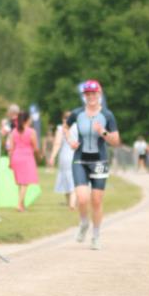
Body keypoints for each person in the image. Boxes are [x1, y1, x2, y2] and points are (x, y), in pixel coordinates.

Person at [64, 80, 120, 250]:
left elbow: (115, 141)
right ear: (84, 96)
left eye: (94, 93)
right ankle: (83, 224)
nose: (91, 97)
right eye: (87, 94)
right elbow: (65, 128)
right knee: (82, 198)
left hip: (99, 161)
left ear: (99, 94)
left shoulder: (108, 115)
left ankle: (96, 236)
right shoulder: (76, 113)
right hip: (80, 159)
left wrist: (102, 132)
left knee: (96, 201)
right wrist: (70, 141)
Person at [6, 110, 40, 212]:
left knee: (20, 183)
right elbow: (35, 147)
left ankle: (22, 205)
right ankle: (19, 205)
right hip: (27, 158)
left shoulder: (14, 132)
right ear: (27, 119)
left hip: (16, 157)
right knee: (25, 183)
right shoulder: (31, 131)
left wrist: (10, 161)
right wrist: (39, 155)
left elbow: (11, 148)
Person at [49, 111, 77, 210]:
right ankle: (72, 203)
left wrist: (52, 156)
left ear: (63, 119)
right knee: (75, 180)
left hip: (64, 157)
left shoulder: (61, 128)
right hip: (76, 156)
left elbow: (57, 144)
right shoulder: (77, 127)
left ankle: (70, 202)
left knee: (66, 179)